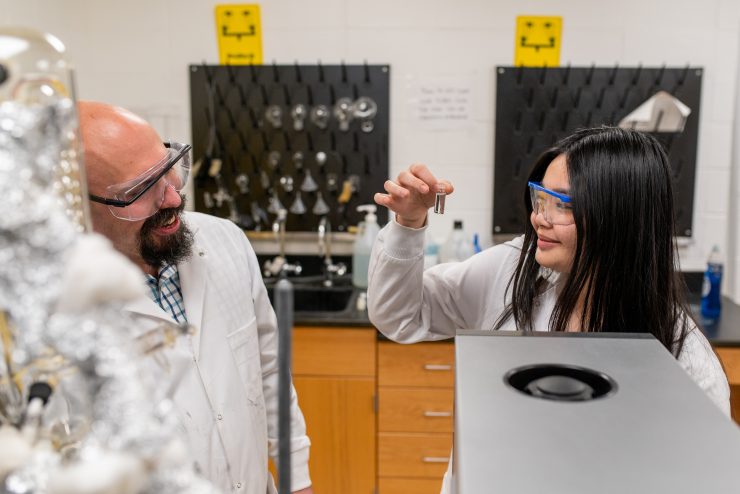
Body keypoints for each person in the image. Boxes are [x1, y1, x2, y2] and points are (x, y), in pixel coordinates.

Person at [368, 127, 730, 489]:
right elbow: (400, 317)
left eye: (565, 205)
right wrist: (408, 225)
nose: (540, 217)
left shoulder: (685, 360)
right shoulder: (513, 270)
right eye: (541, 198)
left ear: (622, 220)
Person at [78, 101, 313, 494]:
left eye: (169, 167)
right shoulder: (58, 312)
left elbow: (269, 369)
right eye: (140, 189)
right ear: (78, 207)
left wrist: (297, 478)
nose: (171, 199)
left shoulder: (225, 241)